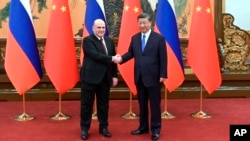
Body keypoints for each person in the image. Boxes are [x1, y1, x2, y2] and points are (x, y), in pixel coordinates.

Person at [114, 13, 167, 141]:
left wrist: (163, 74)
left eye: (145, 23)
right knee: (142, 105)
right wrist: (120, 59)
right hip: (139, 77)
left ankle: (155, 130)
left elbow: (163, 58)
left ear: (150, 23)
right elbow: (131, 53)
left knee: (154, 105)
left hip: (154, 78)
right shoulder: (135, 38)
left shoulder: (159, 39)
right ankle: (143, 127)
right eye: (140, 23)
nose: (142, 25)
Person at [80, 19, 120, 140]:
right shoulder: (87, 40)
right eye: (99, 27)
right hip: (90, 78)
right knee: (87, 105)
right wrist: (112, 58)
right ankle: (85, 129)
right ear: (93, 28)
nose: (101, 30)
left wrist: (114, 75)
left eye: (103, 27)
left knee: (103, 105)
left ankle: (103, 127)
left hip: (105, 78)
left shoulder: (109, 41)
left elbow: (113, 63)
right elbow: (95, 55)